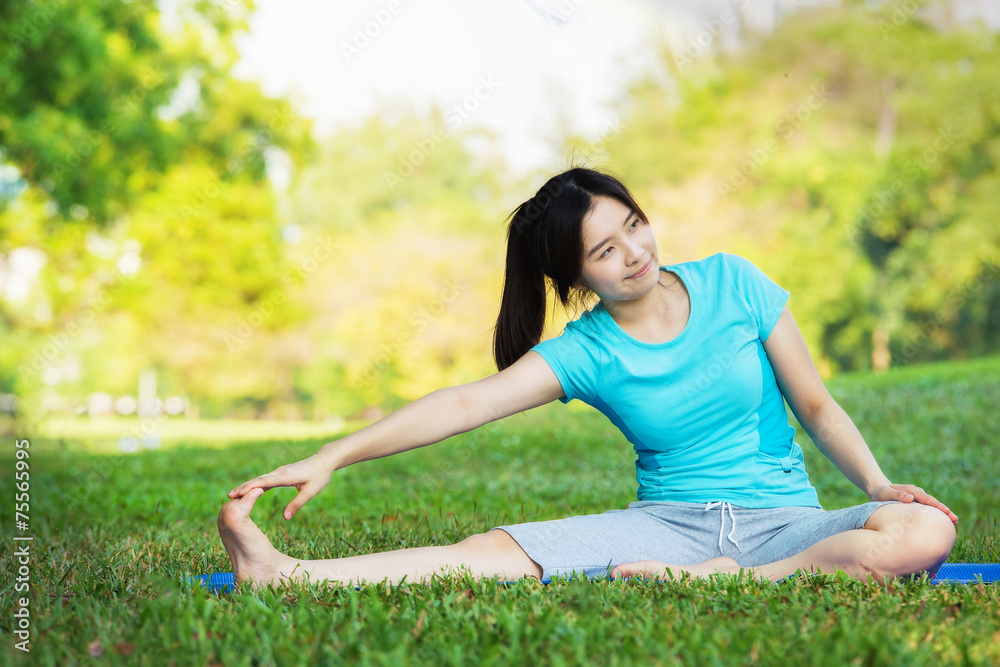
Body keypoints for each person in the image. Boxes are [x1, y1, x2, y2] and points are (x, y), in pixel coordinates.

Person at [219, 167, 958, 589]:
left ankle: (734, 580)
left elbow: (818, 405)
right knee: (488, 556)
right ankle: (285, 572)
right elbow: (466, 402)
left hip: (787, 521)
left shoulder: (737, 283)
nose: (635, 251)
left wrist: (875, 484)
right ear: (576, 277)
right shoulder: (589, 350)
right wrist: (330, 456)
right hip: (665, 528)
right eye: (605, 250)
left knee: (924, 529)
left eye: (633, 223)